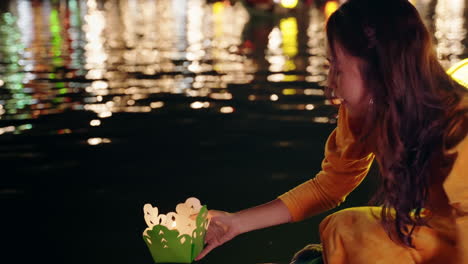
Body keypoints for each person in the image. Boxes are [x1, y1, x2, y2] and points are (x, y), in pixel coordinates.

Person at [195, 0, 468, 263]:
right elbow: (329, 186)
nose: (330, 84)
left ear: (379, 69)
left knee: (349, 230)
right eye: (329, 66)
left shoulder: (457, 126)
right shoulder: (363, 112)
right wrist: (235, 222)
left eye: (337, 68)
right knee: (343, 229)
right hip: (435, 231)